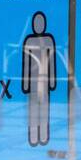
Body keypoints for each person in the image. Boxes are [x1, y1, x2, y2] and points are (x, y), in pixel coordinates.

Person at [21, 11, 56, 147]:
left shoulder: (48, 40)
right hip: (34, 82)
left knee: (44, 111)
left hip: (45, 81)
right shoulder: (29, 40)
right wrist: (25, 84)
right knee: (33, 111)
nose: (39, 26)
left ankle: (44, 136)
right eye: (37, 23)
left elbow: (52, 62)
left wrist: (52, 81)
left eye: (41, 23)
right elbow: (26, 63)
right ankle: (34, 137)